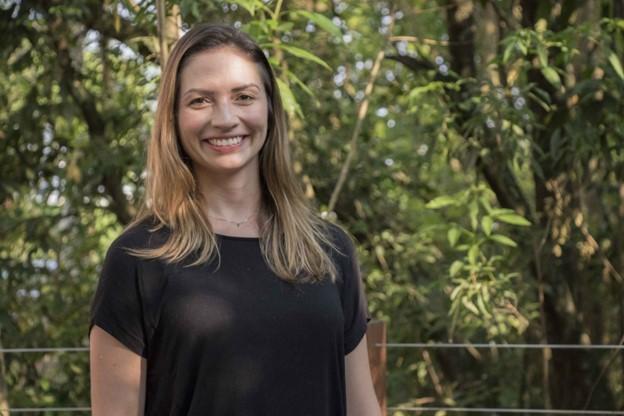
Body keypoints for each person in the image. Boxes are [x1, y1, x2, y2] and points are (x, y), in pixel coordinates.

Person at [89, 23, 380, 416]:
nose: (225, 118)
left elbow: (363, 409)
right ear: (172, 117)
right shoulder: (139, 258)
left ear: (270, 109)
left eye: (244, 96)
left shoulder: (330, 250)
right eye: (200, 101)